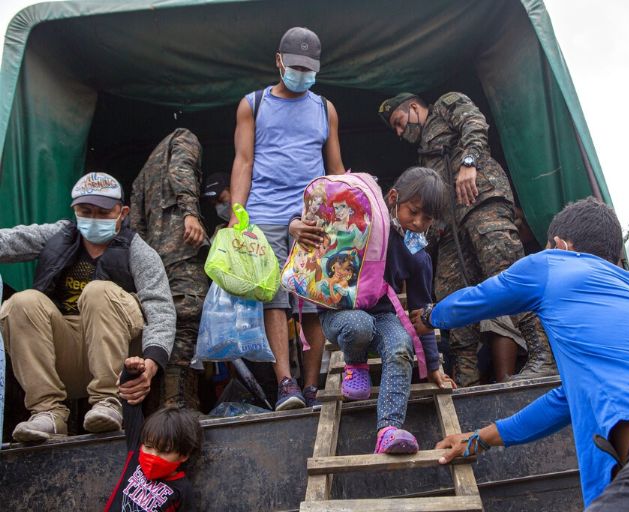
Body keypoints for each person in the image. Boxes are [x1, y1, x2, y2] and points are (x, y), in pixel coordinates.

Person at [413, 197, 629, 509]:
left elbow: (480, 298)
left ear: (560, 245)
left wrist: (429, 317)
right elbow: (565, 400)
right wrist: (480, 439)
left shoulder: (553, 265)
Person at [378, 92, 555, 387]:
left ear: (413, 107)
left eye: (399, 122)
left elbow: (474, 123)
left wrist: (469, 162)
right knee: (447, 293)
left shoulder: (447, 104)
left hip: (482, 201)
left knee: (510, 275)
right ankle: (466, 376)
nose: (399, 132)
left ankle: (544, 355)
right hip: (452, 229)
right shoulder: (424, 156)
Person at [0, 172, 175, 442]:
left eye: (104, 212)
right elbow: (12, 240)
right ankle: (48, 414)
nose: (94, 218)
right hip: (68, 353)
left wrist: (151, 365)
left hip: (120, 362)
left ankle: (107, 404)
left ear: (122, 212)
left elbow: (161, 311)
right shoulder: (60, 236)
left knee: (97, 291)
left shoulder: (139, 252)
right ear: (74, 211)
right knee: (22, 302)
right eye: (86, 210)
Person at [229, 26, 345, 410]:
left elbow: (336, 171)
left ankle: (312, 386)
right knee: (274, 300)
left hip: (312, 217)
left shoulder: (325, 109)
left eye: (308, 68)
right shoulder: (254, 104)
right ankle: (286, 383)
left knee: (313, 301)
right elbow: (243, 162)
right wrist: (237, 216)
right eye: (294, 65)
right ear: (278, 61)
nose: (301, 73)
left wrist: (355, 213)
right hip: (264, 215)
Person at [304, 167, 455, 453]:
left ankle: (389, 428)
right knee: (360, 325)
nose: (419, 223)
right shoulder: (359, 220)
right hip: (338, 311)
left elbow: (421, 312)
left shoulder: (417, 255)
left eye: (428, 219)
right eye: (414, 212)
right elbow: (318, 214)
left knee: (400, 346)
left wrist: (433, 365)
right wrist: (294, 226)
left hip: (383, 314)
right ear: (393, 198)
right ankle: (355, 364)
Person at [132, 128, 210, 411]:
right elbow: (182, 168)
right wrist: (190, 212)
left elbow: (136, 224)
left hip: (156, 257)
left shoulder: (143, 174)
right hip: (182, 249)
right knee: (187, 318)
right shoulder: (185, 138)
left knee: (163, 322)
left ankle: (169, 403)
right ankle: (177, 404)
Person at [105, 356, 203, 511]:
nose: (153, 455)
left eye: (164, 451)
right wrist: (131, 373)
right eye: (149, 446)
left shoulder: (182, 491)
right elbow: (130, 402)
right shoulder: (136, 453)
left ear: (184, 455)